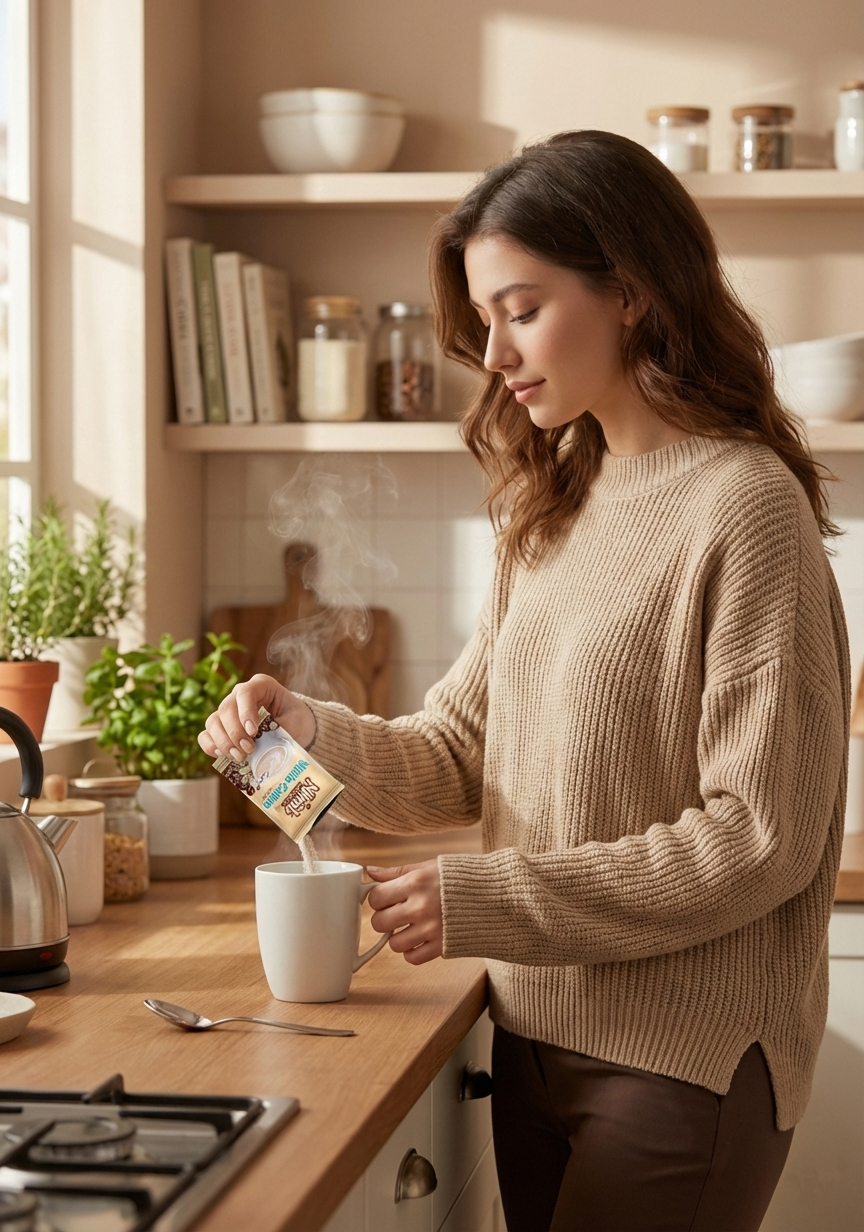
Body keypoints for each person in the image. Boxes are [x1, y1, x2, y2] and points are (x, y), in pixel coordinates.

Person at [199, 131, 849, 1232]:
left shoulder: (745, 508)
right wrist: (307, 728)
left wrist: (484, 900)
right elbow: (459, 755)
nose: (494, 352)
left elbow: (758, 837)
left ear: (631, 291)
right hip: (533, 1039)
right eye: (483, 319)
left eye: (522, 309)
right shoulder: (553, 508)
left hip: (680, 1062)